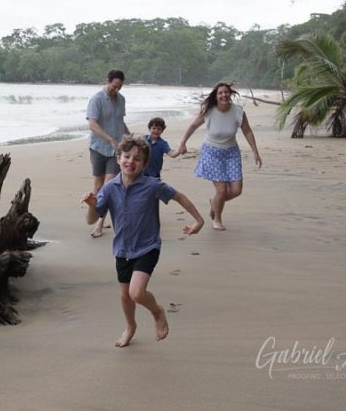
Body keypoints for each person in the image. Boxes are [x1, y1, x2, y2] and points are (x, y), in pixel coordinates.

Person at [82, 136, 204, 347]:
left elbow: (179, 197)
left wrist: (199, 220)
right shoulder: (110, 188)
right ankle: (130, 326)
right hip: (122, 249)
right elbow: (92, 219)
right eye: (126, 156)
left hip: (148, 246)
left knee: (136, 293)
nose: (131, 161)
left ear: (145, 164)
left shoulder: (151, 185)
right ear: (118, 158)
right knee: (125, 296)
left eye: (137, 159)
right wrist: (92, 205)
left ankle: (157, 312)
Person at [177, 82, 262, 231]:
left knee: (236, 190)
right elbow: (192, 126)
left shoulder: (238, 111)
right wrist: (183, 143)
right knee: (222, 190)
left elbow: (247, 131)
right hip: (211, 152)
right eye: (220, 93)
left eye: (226, 92)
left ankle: (215, 202)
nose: (224, 95)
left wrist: (255, 151)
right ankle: (217, 219)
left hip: (231, 153)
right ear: (216, 97)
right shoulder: (209, 111)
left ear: (230, 95)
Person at [86, 70, 130, 238]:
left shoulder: (121, 100)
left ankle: (99, 224)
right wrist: (110, 139)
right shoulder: (96, 99)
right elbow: (93, 125)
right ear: (107, 81)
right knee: (97, 186)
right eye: (114, 87)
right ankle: (95, 213)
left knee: (108, 185)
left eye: (119, 87)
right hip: (98, 147)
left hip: (116, 150)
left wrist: (128, 135)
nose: (116, 90)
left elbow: (120, 121)